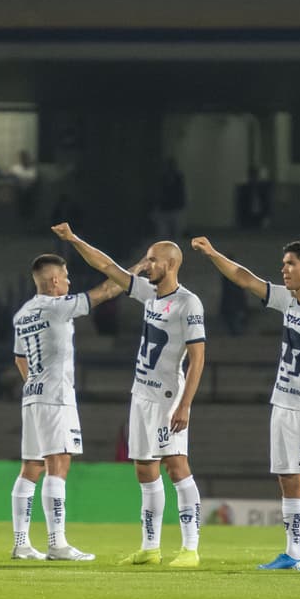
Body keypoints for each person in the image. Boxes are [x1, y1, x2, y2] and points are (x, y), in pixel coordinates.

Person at [191, 236, 300, 572]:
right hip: (282, 402)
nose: (284, 270)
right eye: (284, 264)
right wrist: (212, 254)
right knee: (287, 478)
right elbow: (244, 278)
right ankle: (294, 553)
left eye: (291, 264)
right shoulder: (288, 300)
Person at [54, 223, 206, 568]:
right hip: (141, 393)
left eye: (152, 260)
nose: (145, 264)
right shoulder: (149, 294)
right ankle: (150, 548)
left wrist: (185, 404)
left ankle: (190, 549)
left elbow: (198, 358)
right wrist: (75, 238)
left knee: (177, 466)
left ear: (169, 264)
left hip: (169, 397)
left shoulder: (188, 303)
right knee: (144, 469)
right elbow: (107, 267)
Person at [10, 254, 124, 561]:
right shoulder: (57, 307)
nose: (70, 282)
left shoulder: (24, 313)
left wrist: (35, 381)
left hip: (33, 395)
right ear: (55, 281)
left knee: (31, 467)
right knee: (58, 464)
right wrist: (135, 270)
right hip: (56, 396)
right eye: (67, 276)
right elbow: (105, 292)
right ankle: (56, 543)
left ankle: (21, 543)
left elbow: (19, 357)